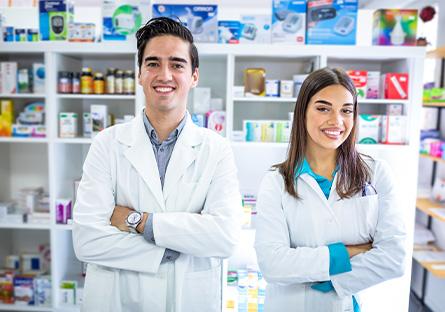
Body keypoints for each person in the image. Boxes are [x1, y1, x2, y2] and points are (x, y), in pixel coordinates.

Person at [72, 17, 241, 312]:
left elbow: (225, 238)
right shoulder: (107, 144)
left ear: (194, 76)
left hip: (189, 299)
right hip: (118, 299)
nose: (164, 75)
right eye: (152, 63)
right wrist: (175, 244)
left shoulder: (216, 149)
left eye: (177, 64)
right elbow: (87, 240)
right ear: (139, 73)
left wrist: (138, 221)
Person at [254, 67, 406, 312]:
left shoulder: (376, 173)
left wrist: (333, 278)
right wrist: (346, 254)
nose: (336, 121)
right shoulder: (276, 182)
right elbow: (272, 264)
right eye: (323, 108)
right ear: (302, 112)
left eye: (346, 110)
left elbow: (394, 259)